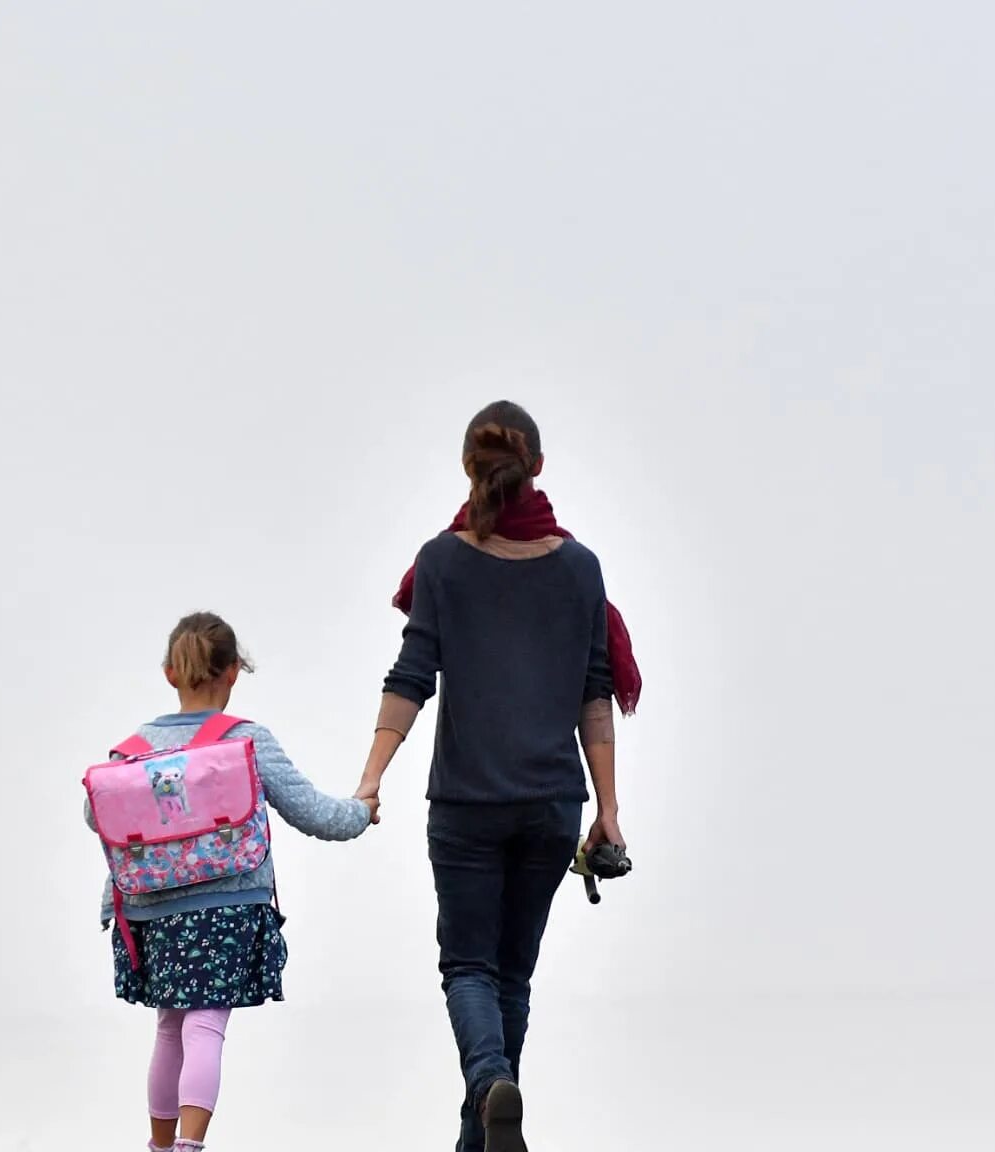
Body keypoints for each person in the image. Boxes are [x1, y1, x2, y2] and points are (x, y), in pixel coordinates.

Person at [355, 401, 640, 1152]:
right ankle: (479, 1132)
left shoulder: (442, 562)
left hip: (467, 806)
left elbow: (411, 675)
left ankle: (488, 1086)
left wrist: (370, 777)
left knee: (470, 970)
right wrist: (608, 808)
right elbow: (595, 695)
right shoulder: (581, 568)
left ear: (468, 470)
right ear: (538, 467)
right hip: (551, 805)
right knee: (511, 978)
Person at [87, 611, 375, 1152]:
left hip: (150, 908)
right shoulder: (246, 740)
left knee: (170, 1026)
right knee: (206, 1027)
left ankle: (158, 1145)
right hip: (227, 903)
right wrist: (362, 808)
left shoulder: (131, 750)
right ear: (234, 672)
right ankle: (191, 1148)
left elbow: (94, 813)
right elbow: (316, 815)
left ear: (170, 672)